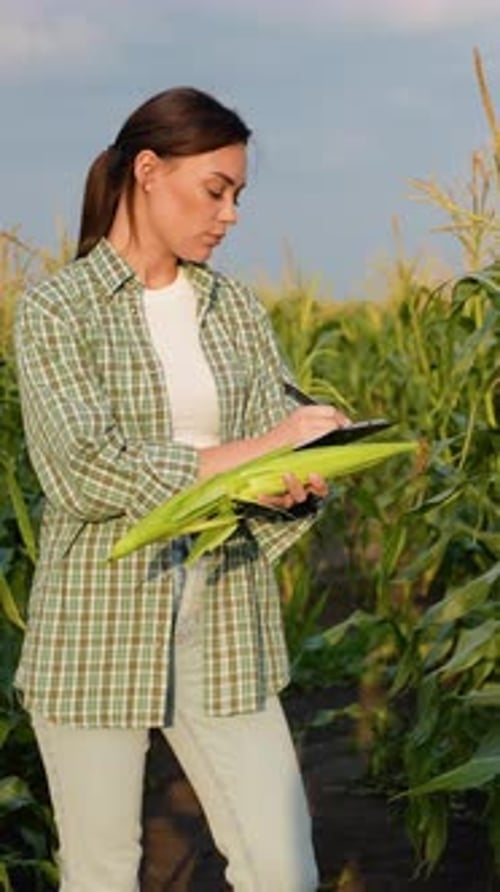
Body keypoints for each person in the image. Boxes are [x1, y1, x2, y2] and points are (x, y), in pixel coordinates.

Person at [14, 87, 349, 892]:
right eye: (216, 190)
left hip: (221, 614)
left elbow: (279, 418)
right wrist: (257, 452)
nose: (229, 214)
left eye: (237, 195)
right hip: (96, 621)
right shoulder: (57, 309)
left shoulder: (230, 306)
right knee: (101, 873)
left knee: (282, 870)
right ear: (149, 170)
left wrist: (297, 474)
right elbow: (84, 467)